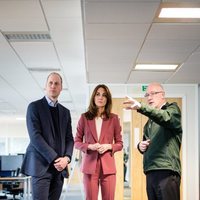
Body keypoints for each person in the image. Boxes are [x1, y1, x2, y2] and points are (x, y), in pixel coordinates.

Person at [123, 82, 182, 200]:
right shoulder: (149, 122)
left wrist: (141, 107)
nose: (149, 97)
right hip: (151, 171)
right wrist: (140, 146)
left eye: (153, 94)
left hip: (166, 171)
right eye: (147, 94)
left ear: (162, 95)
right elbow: (146, 142)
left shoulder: (172, 110)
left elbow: (164, 117)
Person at [21, 72, 74, 200]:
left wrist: (66, 158)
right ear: (45, 86)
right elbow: (35, 137)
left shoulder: (65, 112)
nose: (53, 86)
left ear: (61, 88)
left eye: (57, 83)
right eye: (50, 83)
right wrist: (56, 159)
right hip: (41, 167)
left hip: (59, 169)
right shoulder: (34, 107)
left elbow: (69, 139)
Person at [75, 84, 123, 200]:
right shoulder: (84, 118)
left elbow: (120, 143)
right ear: (93, 97)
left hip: (108, 167)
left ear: (107, 99)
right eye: (98, 94)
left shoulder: (114, 119)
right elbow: (76, 142)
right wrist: (90, 146)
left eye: (104, 95)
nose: (100, 97)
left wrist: (108, 146)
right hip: (90, 165)